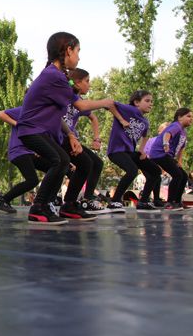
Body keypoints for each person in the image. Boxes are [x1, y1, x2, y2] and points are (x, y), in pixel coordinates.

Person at [15, 32, 120, 224]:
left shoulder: (58, 75)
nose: (79, 57)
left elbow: (58, 114)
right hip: (31, 130)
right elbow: (81, 106)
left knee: (85, 162)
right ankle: (38, 207)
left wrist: (71, 135)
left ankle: (69, 205)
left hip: (47, 132)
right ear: (68, 50)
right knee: (60, 161)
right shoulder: (53, 76)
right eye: (78, 51)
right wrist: (106, 102)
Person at [62, 68, 128, 214]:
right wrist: (104, 102)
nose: (89, 85)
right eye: (87, 81)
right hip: (59, 137)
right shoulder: (66, 94)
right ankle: (63, 203)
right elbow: (83, 106)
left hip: (69, 138)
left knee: (96, 163)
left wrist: (97, 138)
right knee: (82, 164)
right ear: (77, 83)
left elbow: (93, 117)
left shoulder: (78, 99)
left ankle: (85, 199)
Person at [106, 90, 161, 214]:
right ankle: (115, 201)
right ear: (136, 102)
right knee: (132, 171)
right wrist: (121, 120)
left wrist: (142, 150)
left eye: (151, 101)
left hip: (130, 152)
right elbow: (109, 104)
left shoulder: (145, 121)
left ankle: (143, 201)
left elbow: (145, 135)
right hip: (116, 151)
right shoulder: (129, 109)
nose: (150, 104)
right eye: (147, 101)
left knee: (156, 171)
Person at [149, 108, 193, 211]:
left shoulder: (183, 132)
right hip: (160, 153)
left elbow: (181, 149)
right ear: (179, 117)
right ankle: (170, 202)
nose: (191, 119)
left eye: (192, 117)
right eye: (188, 116)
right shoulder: (176, 125)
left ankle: (177, 202)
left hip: (168, 156)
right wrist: (166, 144)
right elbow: (167, 134)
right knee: (177, 175)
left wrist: (179, 162)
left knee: (184, 176)